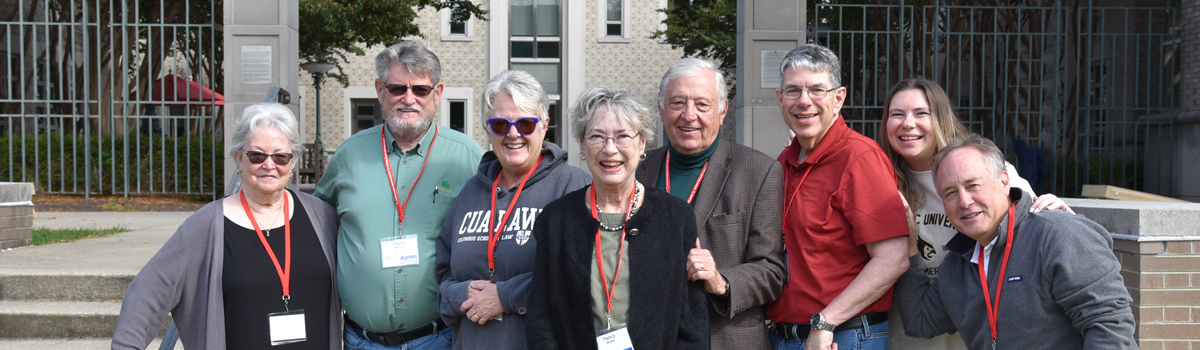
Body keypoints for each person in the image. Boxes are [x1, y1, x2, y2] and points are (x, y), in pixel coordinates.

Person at [112, 103, 341, 349]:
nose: (269, 165)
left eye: (280, 156)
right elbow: (146, 295)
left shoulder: (322, 217)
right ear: (239, 158)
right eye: (257, 155)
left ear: (292, 161)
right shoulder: (206, 226)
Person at [877, 77, 1074, 349]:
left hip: (981, 331)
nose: (908, 123)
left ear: (940, 118)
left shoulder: (983, 169)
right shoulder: (880, 180)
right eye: (897, 114)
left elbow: (1034, 225)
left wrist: (1056, 211)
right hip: (914, 332)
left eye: (921, 113)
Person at [314, 41, 483, 350]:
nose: (408, 99)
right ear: (380, 90)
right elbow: (315, 221)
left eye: (420, 89)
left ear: (437, 92)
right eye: (397, 89)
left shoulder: (467, 157)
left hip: (439, 339)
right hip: (362, 341)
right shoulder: (349, 155)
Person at [894, 134, 1137, 349]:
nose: (965, 201)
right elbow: (920, 320)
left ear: (1004, 182)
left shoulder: (1057, 235)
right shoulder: (956, 267)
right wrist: (910, 243)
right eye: (950, 193)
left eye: (973, 185)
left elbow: (1111, 327)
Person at [526, 87, 710, 349]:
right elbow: (541, 321)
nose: (610, 149)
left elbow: (692, 324)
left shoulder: (675, 218)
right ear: (582, 145)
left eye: (623, 136)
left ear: (642, 143)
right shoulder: (556, 221)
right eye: (597, 137)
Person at [765, 44, 910, 350]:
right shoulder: (784, 161)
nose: (804, 101)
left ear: (839, 98)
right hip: (785, 337)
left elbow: (893, 259)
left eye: (817, 90)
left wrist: (826, 322)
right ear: (780, 99)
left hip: (841, 337)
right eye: (793, 91)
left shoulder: (860, 158)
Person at [635, 58, 785, 349]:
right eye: (678, 103)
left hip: (725, 338)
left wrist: (720, 280)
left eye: (702, 105)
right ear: (661, 109)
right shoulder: (638, 171)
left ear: (722, 110)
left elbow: (771, 270)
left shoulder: (759, 171)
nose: (689, 115)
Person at [435, 70, 590, 349]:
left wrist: (506, 296)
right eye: (500, 124)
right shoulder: (471, 192)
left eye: (526, 124)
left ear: (544, 125)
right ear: (487, 130)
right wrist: (460, 294)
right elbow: (444, 274)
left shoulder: (573, 186)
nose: (513, 134)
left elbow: (581, 276)